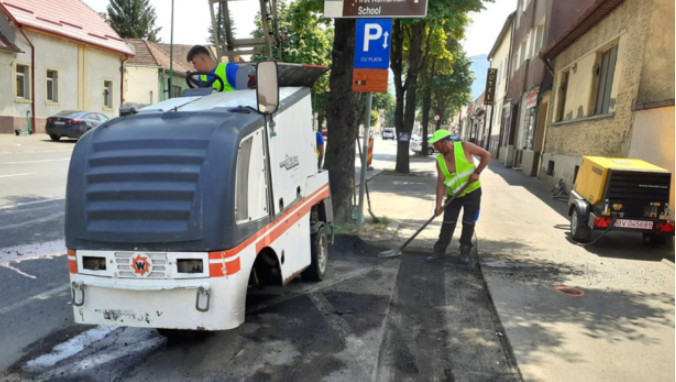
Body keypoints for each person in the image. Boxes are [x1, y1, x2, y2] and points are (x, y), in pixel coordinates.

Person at [426, 130, 491, 264]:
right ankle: (439, 251)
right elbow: (440, 182)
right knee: (448, 223)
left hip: (472, 192)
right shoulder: (440, 160)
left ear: (445, 142)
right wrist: (438, 205)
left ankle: (465, 251)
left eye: (437, 145)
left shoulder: (464, 147)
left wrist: (477, 172)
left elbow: (486, 155)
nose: (435, 148)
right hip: (453, 195)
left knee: (468, 222)